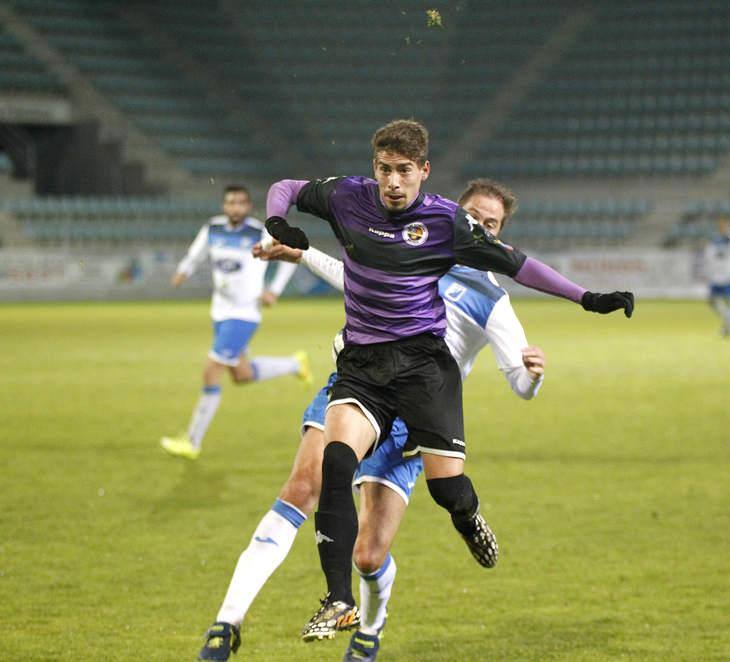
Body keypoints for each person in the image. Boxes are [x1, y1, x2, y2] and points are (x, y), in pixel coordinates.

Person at [263, 119, 634, 644]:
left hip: (424, 369)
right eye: (385, 170)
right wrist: (278, 222)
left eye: (404, 171)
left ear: (424, 171)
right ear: (375, 168)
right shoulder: (348, 197)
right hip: (364, 365)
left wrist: (587, 298)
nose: (393, 182)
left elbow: (521, 267)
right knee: (336, 458)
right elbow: (286, 188)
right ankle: (338, 599)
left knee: (448, 489)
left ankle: (468, 516)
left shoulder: (448, 225)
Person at [196, 178, 547, 661]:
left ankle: (369, 628)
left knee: (368, 555)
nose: (478, 230)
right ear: (453, 214)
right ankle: (226, 623)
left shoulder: (492, 299)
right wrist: (300, 255)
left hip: (414, 420)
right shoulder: (414, 245)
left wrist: (531, 375)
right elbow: (352, 275)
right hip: (358, 380)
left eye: (490, 226)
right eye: (473, 219)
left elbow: (519, 383)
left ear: (499, 237)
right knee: (302, 485)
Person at [160, 185, 311, 460]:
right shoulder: (213, 229)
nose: (235, 207)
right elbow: (196, 254)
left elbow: (293, 253)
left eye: (241, 203)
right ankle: (294, 364)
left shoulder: (260, 232)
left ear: (248, 206)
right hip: (220, 311)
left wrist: (274, 289)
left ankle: (192, 441)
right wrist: (183, 271)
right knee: (241, 374)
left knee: (211, 371)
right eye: (230, 202)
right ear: (224, 206)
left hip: (244, 314)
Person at [704, 217, 730, 336]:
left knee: (729, 301)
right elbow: (709, 256)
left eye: (724, 224)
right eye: (720, 224)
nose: (721, 226)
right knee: (711, 301)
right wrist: (708, 272)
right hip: (716, 275)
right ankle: (727, 318)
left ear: (728, 224)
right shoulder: (714, 239)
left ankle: (726, 327)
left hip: (729, 275)